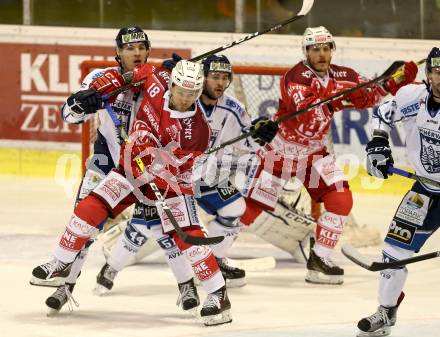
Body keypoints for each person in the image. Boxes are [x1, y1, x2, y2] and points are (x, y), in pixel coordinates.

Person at [31, 57, 275, 325]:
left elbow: (182, 174)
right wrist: (95, 92)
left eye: (192, 93)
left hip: (167, 184)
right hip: (127, 170)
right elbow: (122, 80)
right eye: (181, 91)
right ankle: (60, 261)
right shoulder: (155, 79)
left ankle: (218, 294)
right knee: (90, 207)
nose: (185, 98)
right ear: (171, 83)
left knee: (189, 238)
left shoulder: (198, 131)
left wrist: (157, 170)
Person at [239, 26, 418, 285]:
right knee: (253, 207)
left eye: (325, 48)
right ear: (306, 51)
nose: (321, 54)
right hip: (280, 153)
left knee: (341, 200)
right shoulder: (295, 77)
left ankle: (320, 259)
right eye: (315, 49)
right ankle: (216, 255)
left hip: (314, 155)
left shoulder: (343, 75)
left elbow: (366, 98)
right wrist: (338, 99)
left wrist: (390, 84)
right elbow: (309, 115)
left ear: (331, 50)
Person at [94, 54, 278, 294]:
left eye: (225, 78)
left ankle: (215, 261)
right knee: (146, 224)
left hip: (204, 174)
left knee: (234, 208)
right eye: (214, 77)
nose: (220, 83)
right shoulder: (180, 97)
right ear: (202, 79)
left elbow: (247, 142)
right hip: (166, 173)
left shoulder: (232, 107)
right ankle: (111, 267)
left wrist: (258, 135)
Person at [29, 25, 157, 304]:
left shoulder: (158, 80)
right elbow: (68, 115)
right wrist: (81, 103)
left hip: (146, 169)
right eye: (129, 48)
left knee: (158, 227)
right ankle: (66, 287)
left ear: (148, 51)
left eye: (141, 48)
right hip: (106, 163)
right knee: (84, 227)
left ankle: (198, 285)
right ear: (118, 52)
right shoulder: (99, 78)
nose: (136, 53)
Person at [356, 47, 439, 337]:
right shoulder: (412, 97)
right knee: (393, 253)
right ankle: (385, 312)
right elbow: (384, 111)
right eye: (436, 71)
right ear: (428, 73)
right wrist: (378, 141)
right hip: (425, 190)